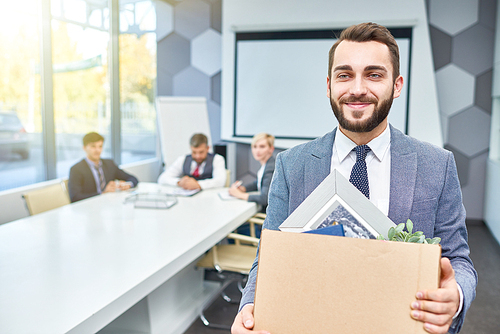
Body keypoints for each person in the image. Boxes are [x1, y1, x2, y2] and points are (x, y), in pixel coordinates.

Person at [231, 22, 477, 334]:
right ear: (329, 85)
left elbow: (459, 261)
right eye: (344, 75)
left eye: (374, 74)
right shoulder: (291, 165)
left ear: (397, 85)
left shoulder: (437, 165)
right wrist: (250, 306)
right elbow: (267, 257)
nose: (357, 89)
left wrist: (454, 297)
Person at [68, 132, 138, 202]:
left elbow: (133, 178)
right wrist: (102, 193)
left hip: (109, 205)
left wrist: (127, 185)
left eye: (100, 146)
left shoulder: (109, 164)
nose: (97, 150)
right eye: (93, 146)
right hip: (90, 207)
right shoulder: (76, 169)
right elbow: (75, 197)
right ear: (84, 148)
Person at [158, 133, 226, 190]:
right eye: (194, 152)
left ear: (208, 148)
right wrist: (179, 182)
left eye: (201, 152)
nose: (197, 156)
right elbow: (162, 179)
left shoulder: (217, 159)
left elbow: (220, 181)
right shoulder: (183, 159)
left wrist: (198, 185)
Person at [228, 133, 275, 209]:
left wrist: (238, 194)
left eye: (262, 147)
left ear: (271, 149)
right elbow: (259, 183)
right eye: (254, 147)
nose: (257, 151)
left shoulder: (270, 168)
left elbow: (265, 198)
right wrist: (243, 189)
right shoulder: (266, 165)